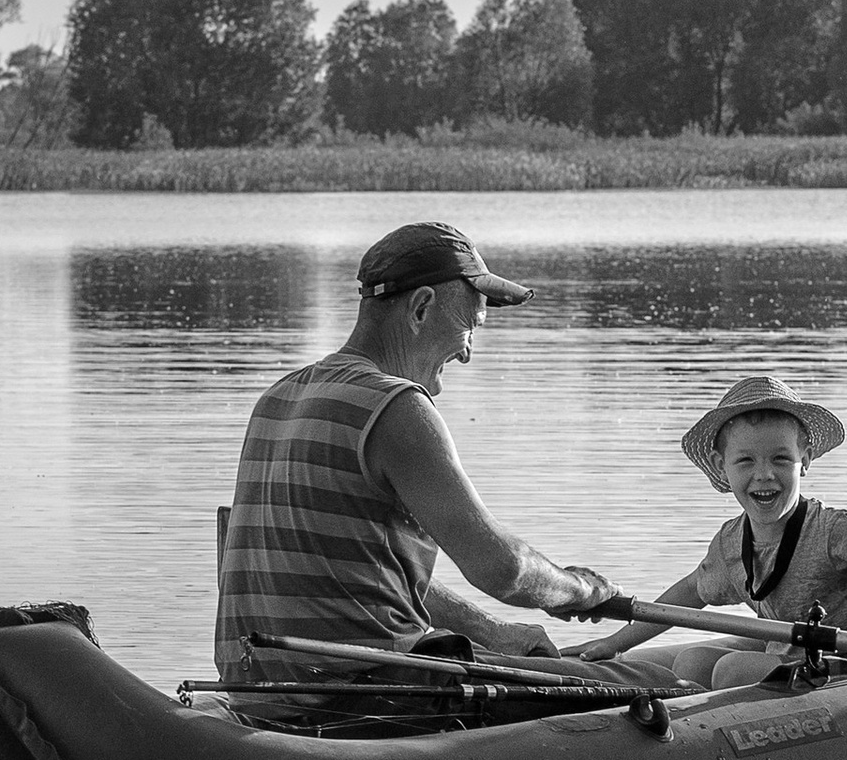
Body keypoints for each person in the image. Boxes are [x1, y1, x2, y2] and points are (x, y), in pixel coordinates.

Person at [214, 220, 631, 684]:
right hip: (366, 692)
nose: (467, 353)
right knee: (655, 683)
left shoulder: (276, 398)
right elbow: (502, 569)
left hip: (258, 688)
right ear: (421, 307)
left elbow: (364, 570)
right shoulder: (396, 406)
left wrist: (490, 631)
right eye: (470, 326)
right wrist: (581, 590)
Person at [566, 373, 847, 688]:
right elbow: (687, 594)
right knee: (691, 662)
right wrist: (613, 644)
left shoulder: (835, 530)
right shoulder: (730, 543)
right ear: (722, 465)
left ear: (804, 460)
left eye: (780, 459)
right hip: (788, 661)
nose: (764, 475)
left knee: (730, 669)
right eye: (746, 461)